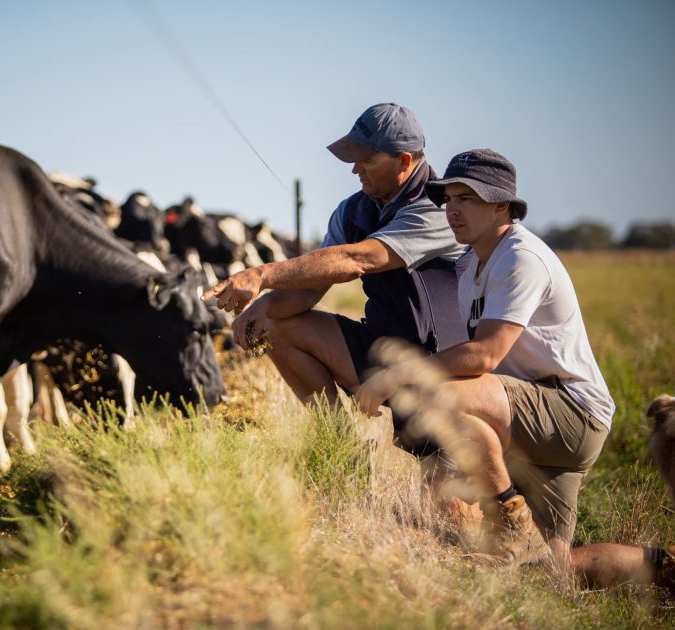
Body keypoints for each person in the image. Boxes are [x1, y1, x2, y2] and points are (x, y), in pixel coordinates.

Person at [355, 149, 674, 589]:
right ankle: (663, 568)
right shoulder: (474, 263)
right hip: (533, 415)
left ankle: (506, 515)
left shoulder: (521, 258)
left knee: (433, 394)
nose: (452, 210)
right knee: (553, 571)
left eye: (466, 198)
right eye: (448, 199)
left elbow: (484, 355)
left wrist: (395, 374)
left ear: (501, 204)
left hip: (571, 412)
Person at [202, 103, 467, 433]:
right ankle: (338, 443)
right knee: (274, 325)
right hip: (384, 348)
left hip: (441, 365)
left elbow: (359, 259)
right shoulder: (352, 211)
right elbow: (312, 286)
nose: (355, 169)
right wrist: (264, 307)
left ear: (404, 161)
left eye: (367, 159)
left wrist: (262, 275)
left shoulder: (438, 209)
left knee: (444, 478)